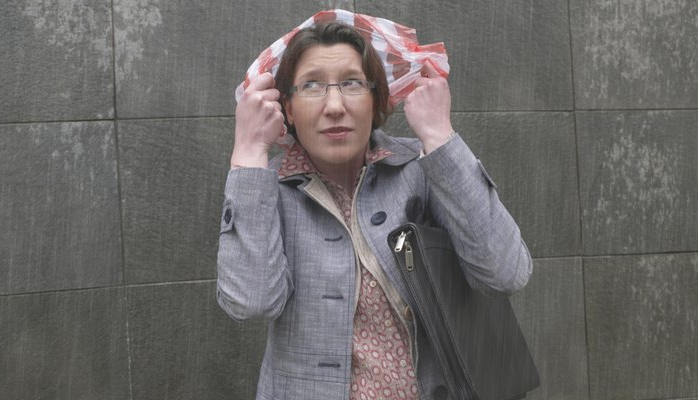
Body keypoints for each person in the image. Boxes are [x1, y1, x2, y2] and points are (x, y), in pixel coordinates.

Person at [217, 21, 532, 400]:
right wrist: (249, 153)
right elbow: (251, 301)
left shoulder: (422, 168)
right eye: (312, 85)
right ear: (289, 108)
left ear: (377, 98)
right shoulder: (266, 189)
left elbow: (506, 274)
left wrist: (440, 137)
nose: (335, 107)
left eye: (352, 83)